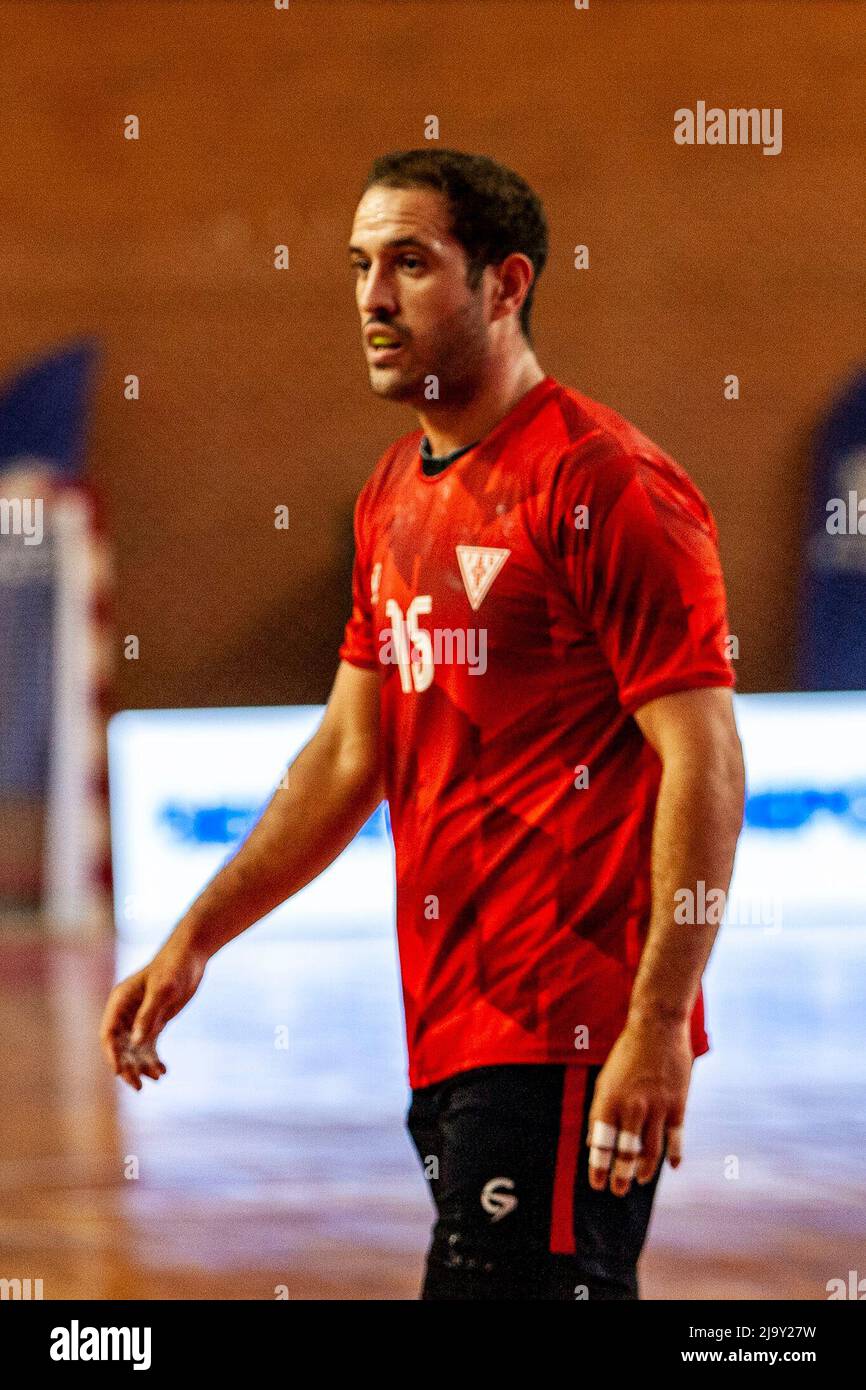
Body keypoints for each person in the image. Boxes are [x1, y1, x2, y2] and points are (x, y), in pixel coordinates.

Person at [101, 148, 745, 1301]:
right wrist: (196, 935)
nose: (370, 297)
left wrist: (650, 1025)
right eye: (357, 265)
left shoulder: (604, 483)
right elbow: (348, 757)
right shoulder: (392, 492)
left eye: (408, 263)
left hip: (562, 1026)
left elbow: (705, 755)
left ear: (504, 284)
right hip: (453, 1023)